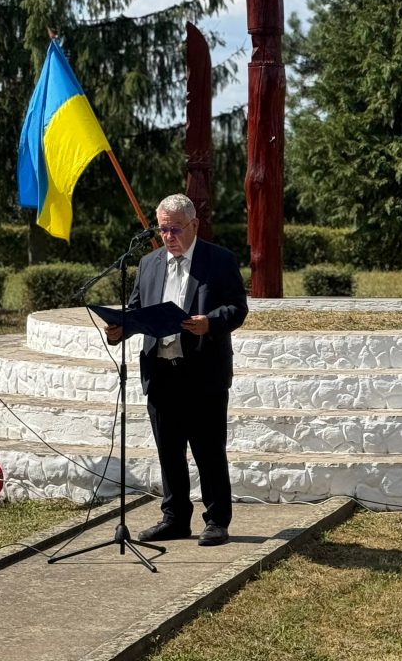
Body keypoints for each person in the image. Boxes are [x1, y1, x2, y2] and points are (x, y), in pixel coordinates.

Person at [105, 194, 248, 546]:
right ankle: (175, 518)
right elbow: (138, 309)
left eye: (176, 229)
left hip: (202, 371)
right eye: (163, 229)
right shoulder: (149, 263)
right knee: (169, 451)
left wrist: (209, 322)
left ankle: (217, 520)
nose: (169, 236)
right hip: (161, 370)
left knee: (208, 450)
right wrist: (121, 328)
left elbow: (237, 308)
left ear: (194, 225)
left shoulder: (219, 260)